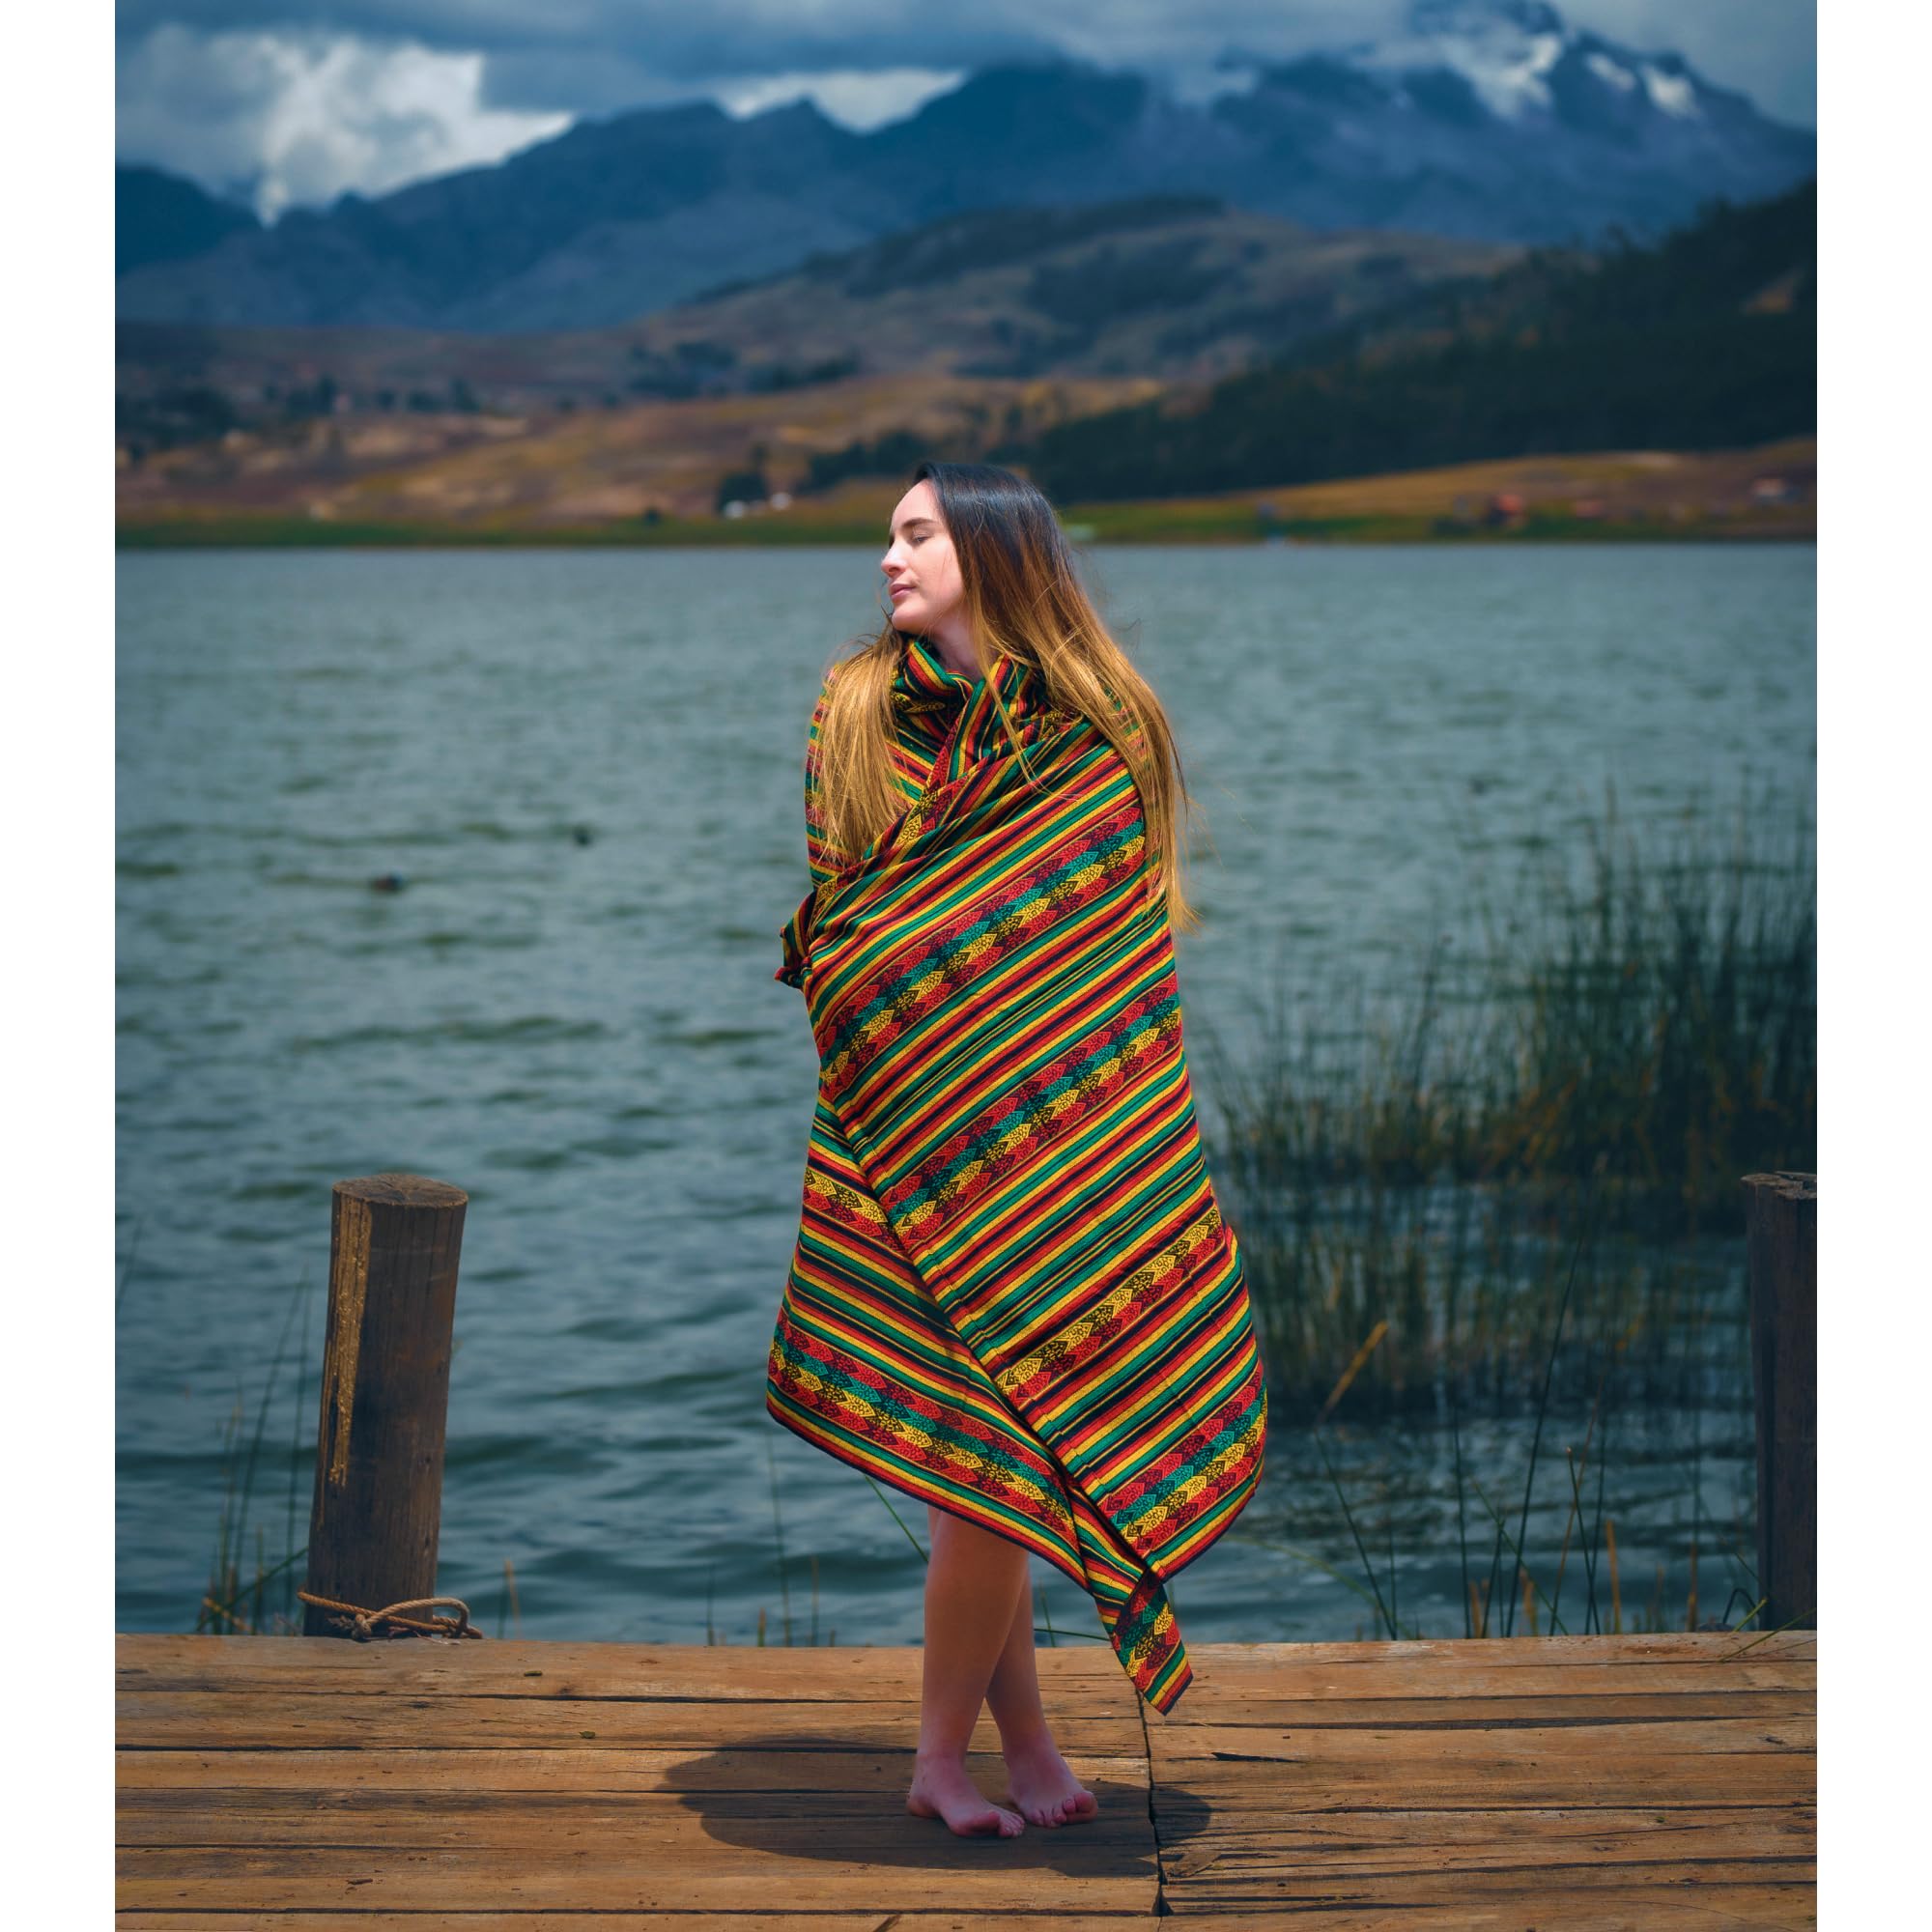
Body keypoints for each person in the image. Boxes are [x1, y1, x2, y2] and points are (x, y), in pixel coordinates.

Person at [768, 460, 1266, 1840]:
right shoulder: (855, 714)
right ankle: (948, 1761)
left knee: (999, 1469)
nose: (888, 557)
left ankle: (1020, 1750)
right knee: (984, 1470)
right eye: (887, 535)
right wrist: (906, 1021)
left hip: (1067, 1155)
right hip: (912, 1141)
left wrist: (1090, 1126)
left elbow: (1116, 959)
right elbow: (852, 921)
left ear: (991, 550)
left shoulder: (1102, 732)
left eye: (916, 533)